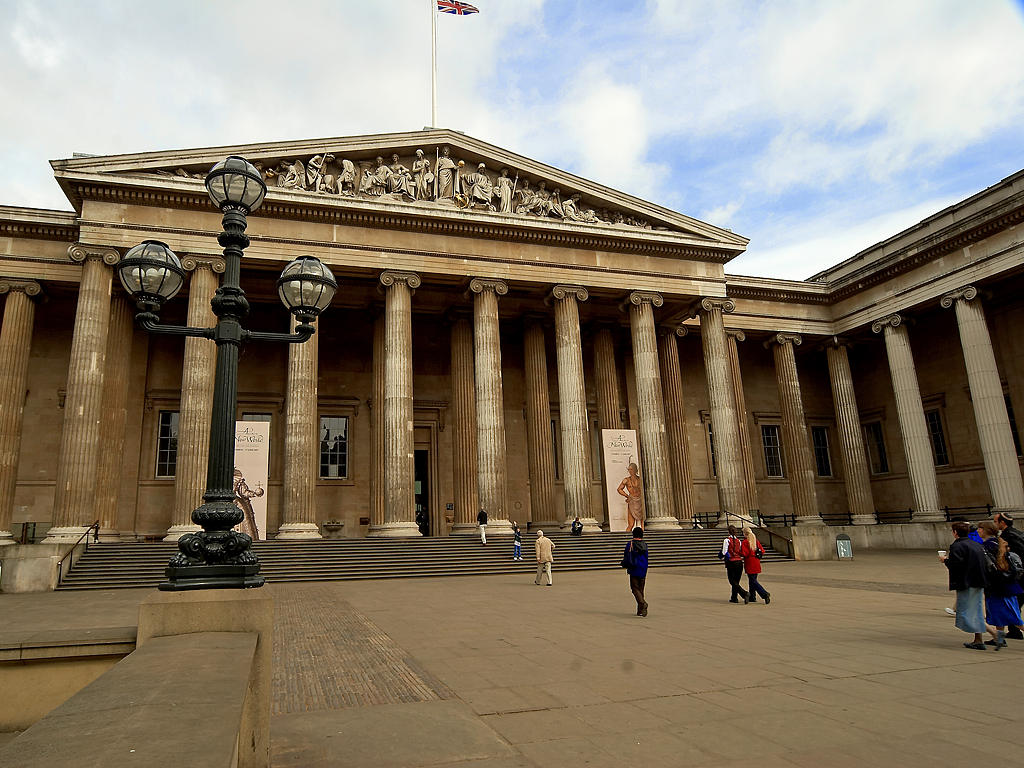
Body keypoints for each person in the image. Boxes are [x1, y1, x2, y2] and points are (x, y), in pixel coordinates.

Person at [941, 521, 990, 650]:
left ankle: (993, 634)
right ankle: (978, 638)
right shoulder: (976, 545)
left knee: (967, 612)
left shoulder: (957, 546)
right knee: (976, 609)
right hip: (978, 581)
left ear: (955, 533)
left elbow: (956, 566)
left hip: (966, 582)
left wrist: (945, 560)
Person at [978, 520, 1024, 648]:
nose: (978, 531)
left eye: (980, 528)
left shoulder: (987, 546)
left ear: (985, 530)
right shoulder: (998, 542)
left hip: (999, 586)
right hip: (1007, 584)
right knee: (1000, 614)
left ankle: (999, 637)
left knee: (1014, 618)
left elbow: (989, 567)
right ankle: (1000, 638)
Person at [994, 512, 1024, 638]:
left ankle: (1015, 629)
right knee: (1016, 602)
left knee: (1015, 602)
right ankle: (1014, 630)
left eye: (996, 521)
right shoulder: (1017, 533)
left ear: (1002, 523)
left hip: (1019, 574)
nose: (995, 524)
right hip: (1020, 573)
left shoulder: (1007, 536)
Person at [620, 526, 649, 616]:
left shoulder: (630, 544)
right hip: (643, 568)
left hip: (634, 567)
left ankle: (643, 603)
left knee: (634, 588)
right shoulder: (644, 544)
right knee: (640, 589)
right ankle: (640, 610)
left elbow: (626, 555)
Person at [719, 524, 749, 604]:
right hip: (739, 562)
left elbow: (724, 552)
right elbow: (740, 551)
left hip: (731, 562)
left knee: (732, 580)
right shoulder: (739, 541)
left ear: (728, 532)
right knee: (736, 581)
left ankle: (744, 593)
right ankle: (734, 597)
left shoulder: (727, 540)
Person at [740, 526, 770, 604]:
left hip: (749, 561)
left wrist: (739, 552)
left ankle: (764, 594)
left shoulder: (745, 542)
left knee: (753, 580)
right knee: (752, 580)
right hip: (756, 561)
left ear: (745, 534)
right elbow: (762, 551)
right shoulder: (755, 541)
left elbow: (744, 553)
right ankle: (752, 597)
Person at [616, 462, 645, 531]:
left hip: (640, 501)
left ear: (635, 470)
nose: (630, 471)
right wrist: (626, 496)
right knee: (631, 524)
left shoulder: (640, 479)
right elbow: (619, 489)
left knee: (643, 524)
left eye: (631, 469)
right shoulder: (626, 480)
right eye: (629, 469)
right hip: (632, 501)